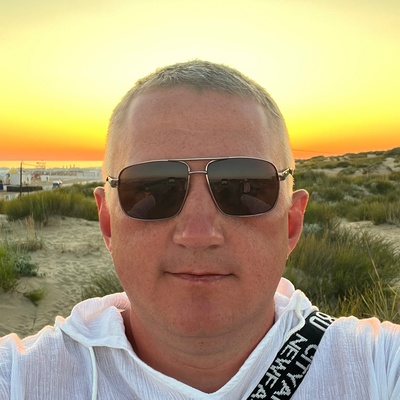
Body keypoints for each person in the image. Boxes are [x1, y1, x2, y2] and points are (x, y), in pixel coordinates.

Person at [1, 60, 399, 399]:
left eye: (244, 187)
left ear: (291, 223)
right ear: (108, 223)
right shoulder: (21, 379)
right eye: (153, 189)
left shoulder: (377, 369)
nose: (198, 234)